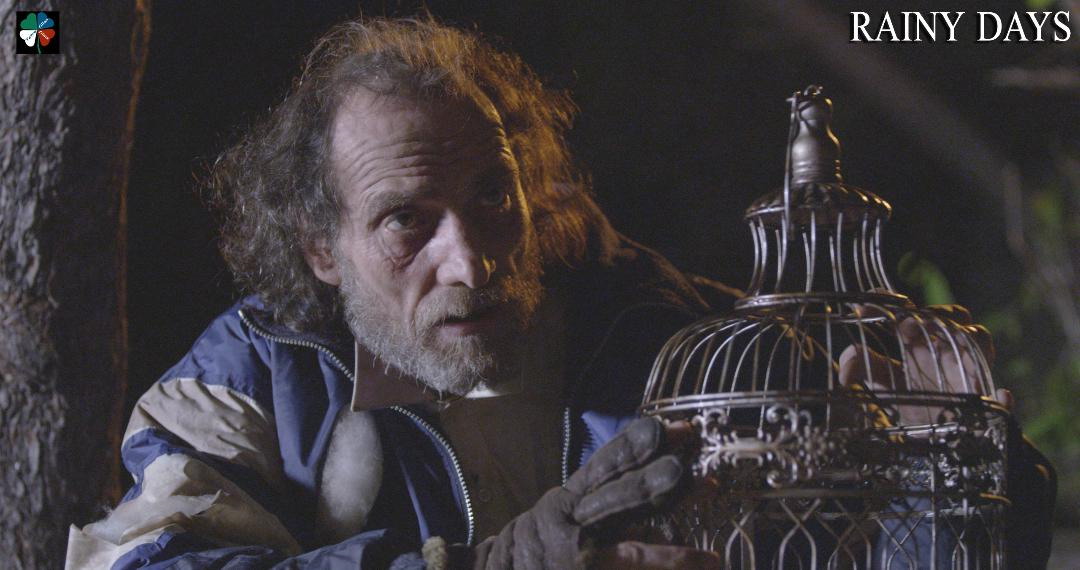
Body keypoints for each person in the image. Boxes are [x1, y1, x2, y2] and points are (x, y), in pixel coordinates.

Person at [65, 17, 1055, 569]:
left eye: (493, 198)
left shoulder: (678, 341)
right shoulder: (249, 378)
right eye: (408, 220)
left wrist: (951, 473)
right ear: (321, 249)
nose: (471, 261)